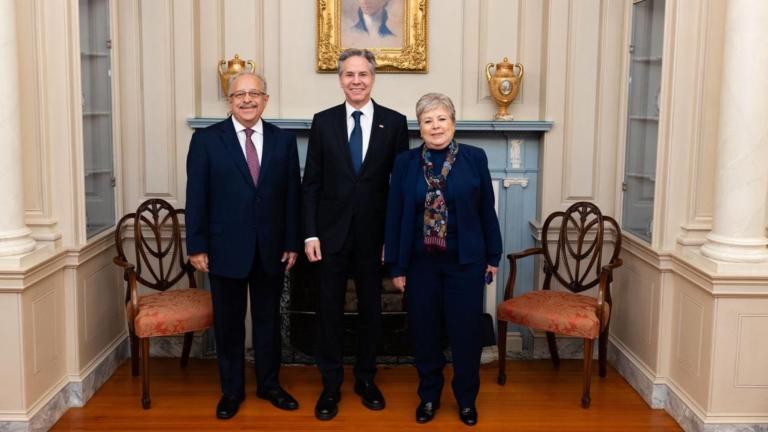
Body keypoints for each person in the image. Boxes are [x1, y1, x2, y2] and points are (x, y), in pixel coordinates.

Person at [185, 72, 301, 420]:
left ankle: (269, 385)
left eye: (254, 94)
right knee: (229, 325)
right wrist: (196, 246)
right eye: (239, 94)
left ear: (265, 99)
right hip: (223, 249)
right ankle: (231, 391)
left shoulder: (283, 141)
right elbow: (196, 197)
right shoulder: (207, 140)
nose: (247, 100)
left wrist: (292, 242)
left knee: (268, 322)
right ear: (229, 101)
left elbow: (292, 197)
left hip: (271, 250)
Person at [302, 48, 409, 421]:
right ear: (340, 79)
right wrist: (310, 234)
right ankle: (330, 385)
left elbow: (400, 188)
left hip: (374, 238)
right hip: (329, 237)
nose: (356, 80)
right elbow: (311, 183)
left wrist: (392, 239)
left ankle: (366, 379)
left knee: (370, 311)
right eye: (349, 74)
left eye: (363, 74)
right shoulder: (323, 122)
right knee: (329, 311)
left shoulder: (394, 123)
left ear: (373, 77)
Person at [384, 93, 502, 426]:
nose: (435, 126)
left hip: (465, 262)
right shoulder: (405, 163)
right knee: (425, 334)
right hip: (421, 264)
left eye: (441, 119)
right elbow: (394, 215)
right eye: (427, 121)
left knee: (465, 335)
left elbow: (485, 211)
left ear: (453, 122)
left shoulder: (474, 158)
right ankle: (429, 397)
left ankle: (466, 400)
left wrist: (493, 254)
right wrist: (397, 265)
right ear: (419, 128)